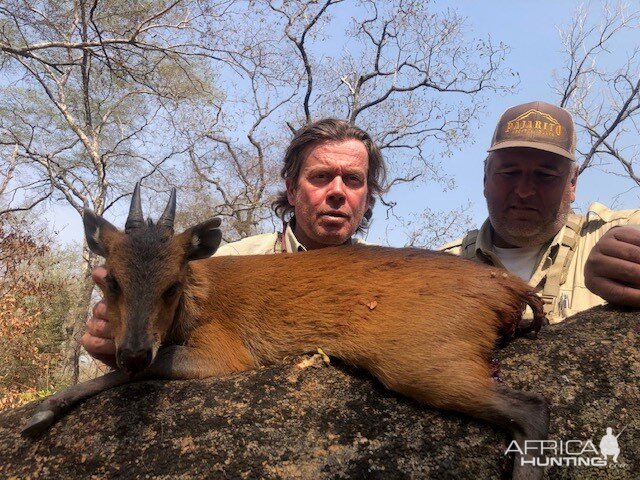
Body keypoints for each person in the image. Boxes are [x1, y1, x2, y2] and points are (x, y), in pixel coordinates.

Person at [82, 118, 387, 367]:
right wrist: (114, 341)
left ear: (367, 197)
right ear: (292, 191)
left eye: (353, 180)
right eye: (320, 176)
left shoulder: (389, 277)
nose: (337, 191)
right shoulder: (220, 265)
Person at [440, 100, 640, 323]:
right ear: (486, 178)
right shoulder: (441, 268)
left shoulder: (618, 233)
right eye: (509, 172)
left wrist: (626, 265)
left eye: (545, 175)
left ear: (572, 183)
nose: (524, 191)